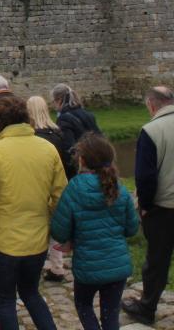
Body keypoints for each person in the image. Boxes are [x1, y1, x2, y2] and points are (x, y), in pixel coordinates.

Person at [0, 95, 66, 330]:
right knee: (31, 293)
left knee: (5, 300)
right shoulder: (48, 149)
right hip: (37, 236)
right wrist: (47, 218)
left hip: (3, 238)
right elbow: (60, 194)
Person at [52, 133, 139, 330]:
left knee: (83, 305)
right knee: (111, 314)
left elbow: (59, 229)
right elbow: (132, 228)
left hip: (87, 267)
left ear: (81, 160)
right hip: (117, 265)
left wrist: (72, 236)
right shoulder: (119, 188)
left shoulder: (74, 188)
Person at [122, 86, 174, 326]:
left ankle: (147, 306)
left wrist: (145, 205)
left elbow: (145, 176)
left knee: (157, 260)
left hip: (163, 207)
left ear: (152, 105)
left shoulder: (151, 130)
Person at [27, 95, 71, 282]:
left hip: (36, 186)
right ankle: (57, 266)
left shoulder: (31, 137)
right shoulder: (58, 133)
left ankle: (33, 265)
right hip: (56, 184)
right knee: (55, 228)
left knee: (35, 228)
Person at [51, 84, 101, 161]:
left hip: (81, 164)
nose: (53, 104)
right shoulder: (88, 114)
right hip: (96, 159)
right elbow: (99, 137)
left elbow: (69, 148)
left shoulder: (63, 119)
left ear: (60, 100)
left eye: (54, 101)